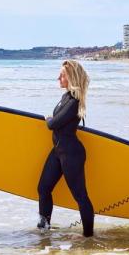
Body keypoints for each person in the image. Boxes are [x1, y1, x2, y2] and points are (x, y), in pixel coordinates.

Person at [36, 60, 94, 237]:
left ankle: (88, 237)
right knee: (43, 188)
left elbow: (53, 123)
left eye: (62, 75)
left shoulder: (74, 101)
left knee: (80, 197)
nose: (58, 78)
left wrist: (48, 119)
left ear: (70, 77)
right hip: (58, 152)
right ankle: (44, 229)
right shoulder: (65, 97)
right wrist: (51, 119)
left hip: (71, 154)